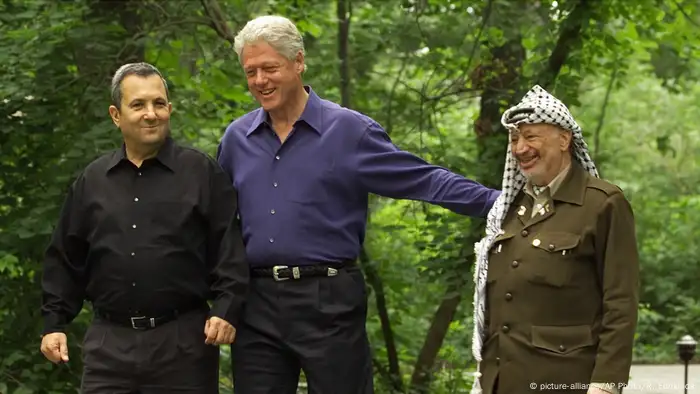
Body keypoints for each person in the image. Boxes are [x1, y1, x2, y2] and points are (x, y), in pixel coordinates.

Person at [216, 15, 501, 394]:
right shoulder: (237, 139)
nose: (260, 81)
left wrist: (502, 203)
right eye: (250, 72)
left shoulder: (349, 132)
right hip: (257, 303)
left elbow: (423, 179)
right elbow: (219, 225)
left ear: (298, 62)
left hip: (329, 300)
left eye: (270, 68)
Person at [39, 62, 249, 393]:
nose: (151, 114)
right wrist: (54, 323)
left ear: (169, 108)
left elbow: (229, 247)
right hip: (109, 347)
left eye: (158, 103)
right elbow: (65, 257)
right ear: (115, 114)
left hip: (183, 345)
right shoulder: (92, 181)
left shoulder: (200, 173)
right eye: (138, 105)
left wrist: (226, 308)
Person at [469, 85, 640, 394]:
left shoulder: (603, 203)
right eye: (514, 139)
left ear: (564, 139)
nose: (520, 148)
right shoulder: (507, 210)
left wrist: (606, 386)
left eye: (531, 136)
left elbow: (621, 305)